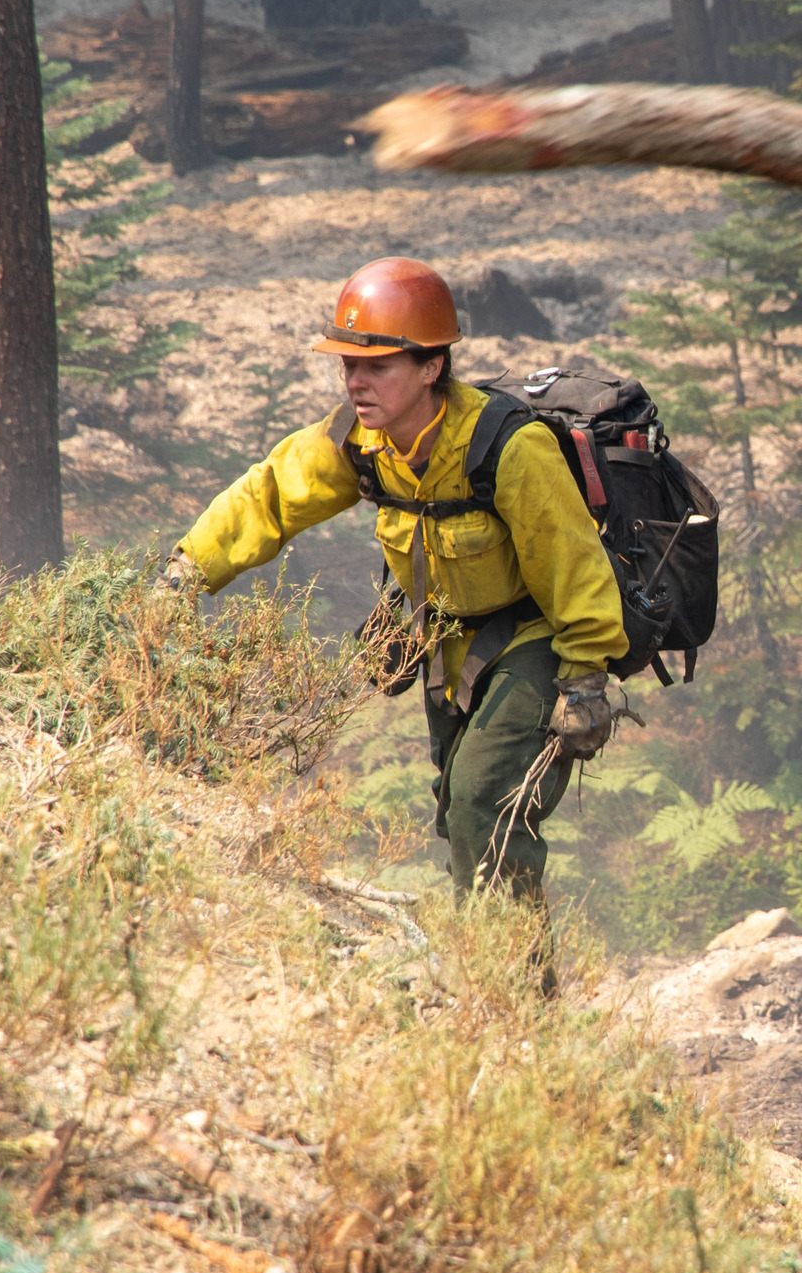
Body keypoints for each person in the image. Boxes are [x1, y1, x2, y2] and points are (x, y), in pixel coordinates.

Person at [162, 257, 627, 911]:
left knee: (481, 803)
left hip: (536, 636)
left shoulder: (510, 449)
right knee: (457, 816)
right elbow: (270, 494)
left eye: (376, 365)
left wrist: (583, 681)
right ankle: (492, 981)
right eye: (348, 364)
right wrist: (185, 572)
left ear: (431, 365)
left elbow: (576, 571)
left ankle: (509, 990)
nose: (355, 381)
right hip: (445, 644)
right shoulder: (362, 441)